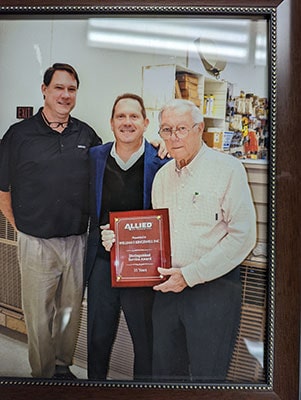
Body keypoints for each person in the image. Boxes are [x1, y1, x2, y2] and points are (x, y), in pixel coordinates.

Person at [0, 63, 102, 380]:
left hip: (76, 241)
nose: (65, 95)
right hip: (36, 242)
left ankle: (62, 366)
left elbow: (111, 169)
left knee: (69, 312)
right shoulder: (19, 135)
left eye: (71, 89)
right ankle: (42, 375)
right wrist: (22, 228)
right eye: (59, 87)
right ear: (44, 90)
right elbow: (2, 190)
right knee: (38, 316)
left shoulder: (86, 134)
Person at [150, 99, 257, 382]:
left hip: (213, 291)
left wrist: (190, 275)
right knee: (165, 374)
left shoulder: (228, 169)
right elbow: (158, 234)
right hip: (167, 291)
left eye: (182, 128)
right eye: (167, 130)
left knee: (207, 378)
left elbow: (243, 236)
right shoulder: (161, 177)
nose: (174, 137)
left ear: (200, 129)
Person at [85, 93, 170, 381]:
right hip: (101, 264)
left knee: (144, 343)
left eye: (134, 116)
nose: (127, 122)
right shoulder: (95, 156)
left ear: (146, 123)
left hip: (142, 268)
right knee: (97, 338)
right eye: (120, 116)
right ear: (111, 123)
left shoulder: (161, 159)